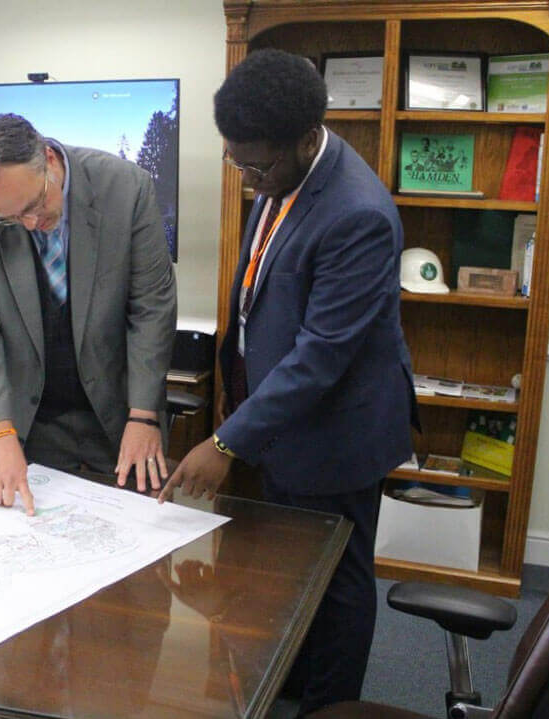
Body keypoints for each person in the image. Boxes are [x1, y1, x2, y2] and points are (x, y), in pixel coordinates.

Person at [160, 49, 418, 714]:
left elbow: (321, 355)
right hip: (281, 421)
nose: (248, 178)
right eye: (236, 161)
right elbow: (261, 299)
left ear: (308, 139)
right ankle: (292, 683)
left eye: (258, 165)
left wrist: (226, 441)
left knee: (336, 583)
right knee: (288, 571)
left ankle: (328, 707)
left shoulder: (357, 213)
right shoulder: (280, 175)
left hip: (338, 432)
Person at [0, 113, 177, 515]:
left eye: (35, 205)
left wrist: (143, 416)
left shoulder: (125, 188)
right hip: (12, 420)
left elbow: (151, 306)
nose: (31, 224)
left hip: (113, 419)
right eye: (11, 218)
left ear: (49, 159)